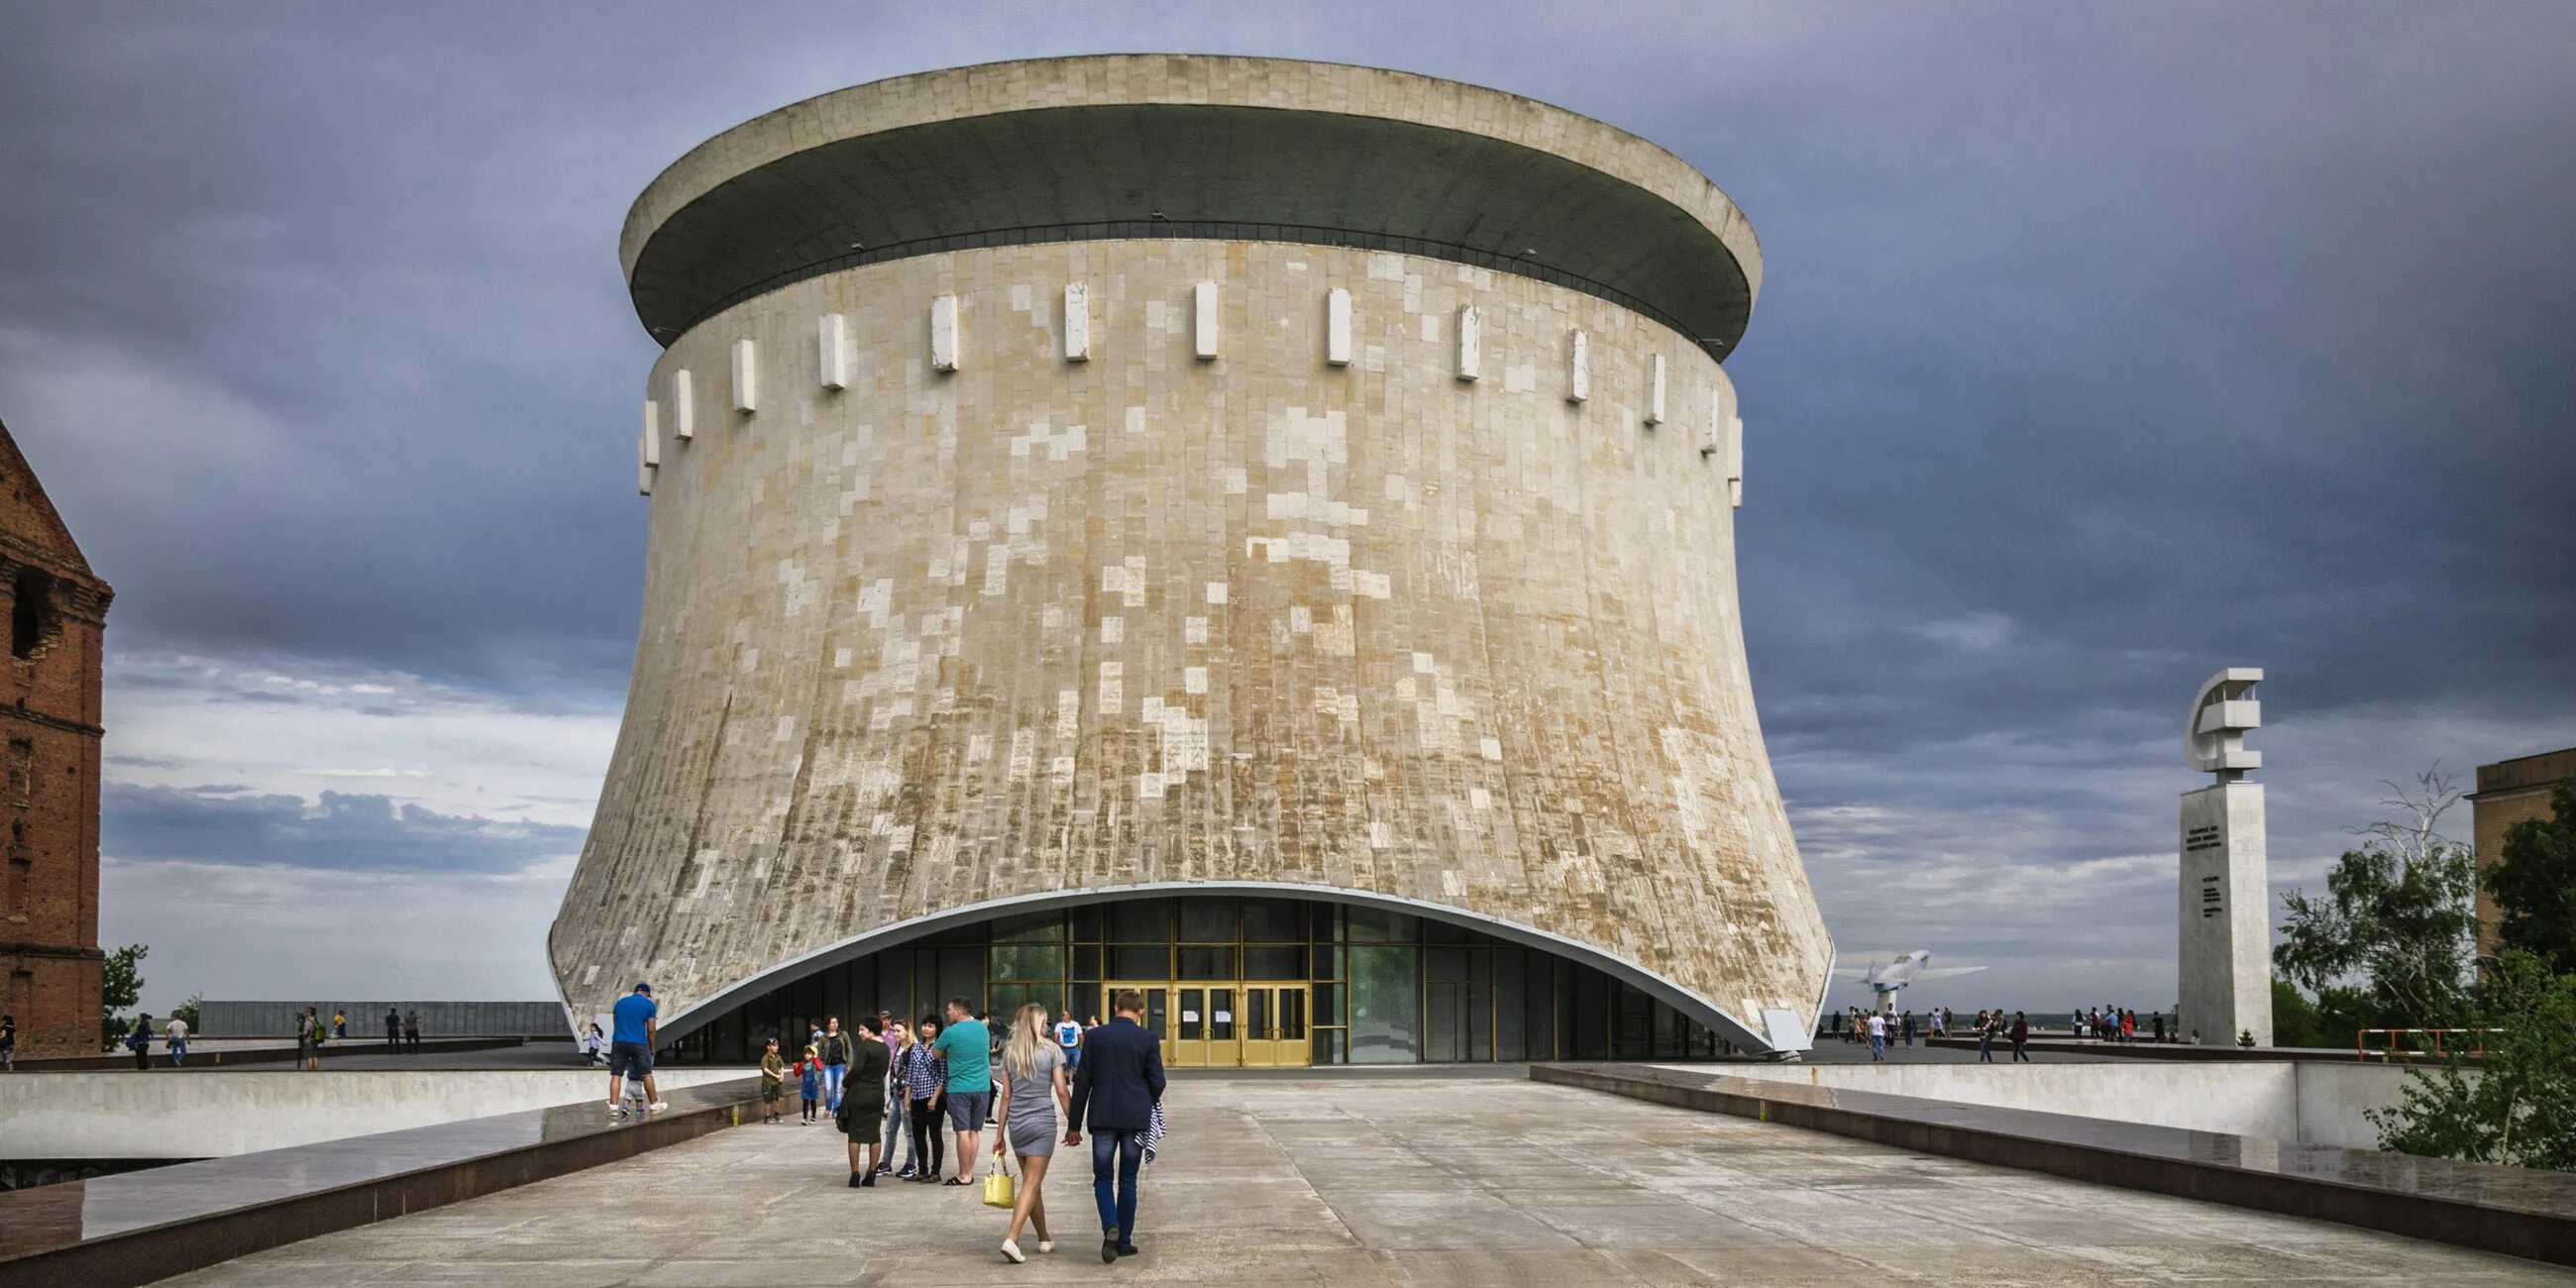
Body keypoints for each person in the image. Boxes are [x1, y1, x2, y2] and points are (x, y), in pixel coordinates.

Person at [1066, 988, 1164, 1263]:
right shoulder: (1148, 1039)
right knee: (1129, 1180)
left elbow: (1082, 1081)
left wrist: (1073, 1125)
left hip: (1103, 1118)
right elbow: (1159, 1082)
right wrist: (1146, 1099)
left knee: (1103, 1177)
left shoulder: (1096, 1037)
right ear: (1141, 1011)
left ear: (1116, 1008)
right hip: (1135, 1119)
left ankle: (1110, 1224)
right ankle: (1123, 1241)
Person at [993, 1002, 1070, 1262]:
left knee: (1032, 1183)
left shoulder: (1010, 1053)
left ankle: (1044, 1237)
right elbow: (1061, 1090)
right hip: (1042, 1124)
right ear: (1038, 1023)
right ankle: (1012, 1238)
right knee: (1031, 1183)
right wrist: (1074, 1123)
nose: (1048, 1025)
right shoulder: (1052, 1051)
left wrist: (999, 1133)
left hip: (1017, 1125)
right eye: (1046, 1021)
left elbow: (1006, 1097)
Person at [932, 996, 993, 1186]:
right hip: (983, 1087)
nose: (947, 1012)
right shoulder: (983, 1029)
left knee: (962, 1132)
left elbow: (935, 1053)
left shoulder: (951, 1032)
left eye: (949, 1009)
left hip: (960, 1088)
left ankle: (964, 1174)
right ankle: (970, 1172)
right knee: (974, 1131)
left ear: (958, 1011)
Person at [838, 1015, 891, 1187]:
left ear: (870, 1030)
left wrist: (845, 1083)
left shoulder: (866, 1046)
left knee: (855, 1135)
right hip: (877, 1095)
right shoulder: (885, 1048)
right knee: (874, 1134)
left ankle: (854, 1174)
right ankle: (872, 1172)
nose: (859, 1033)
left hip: (859, 1094)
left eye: (862, 1029)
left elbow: (856, 1070)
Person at [605, 982, 668, 1116]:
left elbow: (616, 1023)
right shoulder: (649, 1004)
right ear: (646, 993)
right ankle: (654, 1105)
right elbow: (651, 1030)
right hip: (638, 1042)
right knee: (646, 1074)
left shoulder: (620, 1003)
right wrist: (652, 1047)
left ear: (635, 991)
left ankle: (613, 1108)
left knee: (616, 1075)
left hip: (619, 1041)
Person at [902, 1017, 948, 1182]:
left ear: (937, 1029)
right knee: (918, 1134)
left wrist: (934, 1098)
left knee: (935, 1134)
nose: (926, 1029)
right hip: (917, 1097)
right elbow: (911, 1074)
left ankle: (935, 1171)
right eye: (924, 1025)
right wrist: (908, 1097)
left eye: (930, 1026)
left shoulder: (940, 1048)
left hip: (933, 1097)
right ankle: (922, 1170)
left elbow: (943, 1077)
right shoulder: (915, 1048)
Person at [816, 1016, 855, 1116]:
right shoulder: (823, 1037)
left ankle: (836, 1110)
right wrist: (819, 1064)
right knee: (828, 1088)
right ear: (828, 1025)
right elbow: (819, 1052)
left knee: (838, 1089)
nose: (835, 1024)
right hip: (828, 1066)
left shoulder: (843, 1035)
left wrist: (849, 1064)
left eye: (836, 1022)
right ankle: (828, 1107)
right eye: (833, 1023)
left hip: (840, 1065)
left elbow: (849, 1049)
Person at [759, 1037, 787, 1124]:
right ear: (768, 1047)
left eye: (777, 1045)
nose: (776, 1047)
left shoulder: (778, 1057)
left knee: (780, 1098)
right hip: (768, 1082)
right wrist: (775, 1076)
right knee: (768, 1100)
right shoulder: (765, 1057)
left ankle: (777, 1114)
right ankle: (767, 1117)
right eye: (774, 1045)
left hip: (777, 1082)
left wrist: (781, 1076)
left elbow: (781, 1066)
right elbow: (765, 1069)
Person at [799, 1044, 822, 1123]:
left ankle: (813, 1117)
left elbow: (820, 1068)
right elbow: (798, 1073)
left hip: (813, 1085)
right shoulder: (803, 1064)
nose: (806, 1055)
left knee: (813, 1101)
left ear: (813, 1054)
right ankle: (804, 1118)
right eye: (806, 1053)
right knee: (805, 1102)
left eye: (809, 1053)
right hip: (805, 1086)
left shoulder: (816, 1062)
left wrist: (815, 1059)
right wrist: (796, 1068)